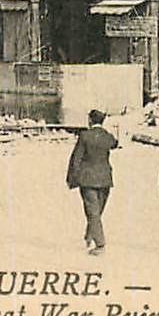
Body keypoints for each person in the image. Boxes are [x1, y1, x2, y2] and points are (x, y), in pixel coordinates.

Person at [66, 109, 121, 255]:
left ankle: (100, 245)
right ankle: (90, 235)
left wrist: (71, 178)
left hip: (88, 179)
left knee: (92, 212)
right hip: (105, 179)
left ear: (90, 120)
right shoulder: (107, 137)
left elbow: (76, 158)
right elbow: (115, 143)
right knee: (97, 211)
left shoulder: (84, 136)